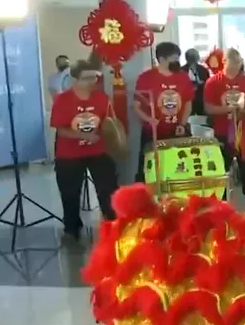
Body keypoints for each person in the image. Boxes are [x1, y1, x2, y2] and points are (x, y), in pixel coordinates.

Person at [51, 61, 118, 242]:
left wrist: (113, 135)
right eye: (86, 78)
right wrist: (84, 135)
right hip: (69, 154)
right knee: (70, 193)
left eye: (94, 77)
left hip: (97, 151)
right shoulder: (63, 100)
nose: (91, 81)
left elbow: (108, 123)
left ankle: (114, 225)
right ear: (75, 79)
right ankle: (72, 229)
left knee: (108, 189)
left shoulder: (102, 98)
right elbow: (61, 129)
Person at [204, 48, 245, 210]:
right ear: (225, 62)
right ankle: (220, 204)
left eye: (239, 62)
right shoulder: (213, 82)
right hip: (222, 132)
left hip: (243, 132)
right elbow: (208, 108)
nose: (238, 65)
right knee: (221, 168)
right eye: (234, 62)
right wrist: (229, 110)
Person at [133, 41, 194, 183]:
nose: (178, 62)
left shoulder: (183, 77)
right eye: (174, 58)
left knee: (179, 168)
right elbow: (136, 106)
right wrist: (149, 119)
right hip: (152, 132)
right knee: (148, 170)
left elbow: (187, 104)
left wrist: (182, 124)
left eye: (178, 58)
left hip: (177, 131)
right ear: (161, 59)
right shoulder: (146, 78)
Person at [182, 49, 210, 116]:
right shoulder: (181, 71)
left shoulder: (203, 70)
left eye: (194, 57)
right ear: (187, 58)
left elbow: (208, 86)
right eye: (191, 57)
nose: (193, 60)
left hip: (201, 101)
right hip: (186, 102)